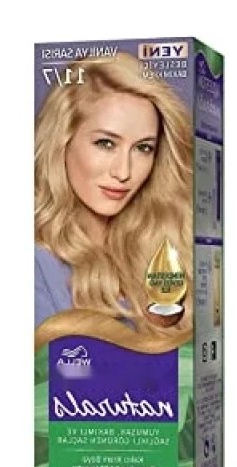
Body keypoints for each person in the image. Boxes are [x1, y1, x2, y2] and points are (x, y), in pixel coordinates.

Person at [35, 52, 192, 344]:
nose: (124, 172)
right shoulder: (38, 266)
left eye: (143, 148)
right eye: (106, 143)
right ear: (62, 141)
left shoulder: (160, 248)